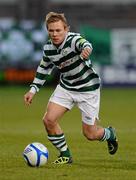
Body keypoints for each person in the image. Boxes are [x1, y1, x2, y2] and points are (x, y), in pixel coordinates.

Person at [24, 12, 118, 165]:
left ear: (66, 29)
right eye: (51, 31)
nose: (54, 34)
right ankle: (65, 155)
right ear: (47, 30)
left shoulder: (73, 39)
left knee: (90, 134)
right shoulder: (48, 48)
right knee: (49, 120)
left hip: (88, 88)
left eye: (58, 30)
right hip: (66, 87)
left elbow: (84, 43)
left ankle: (110, 133)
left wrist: (87, 49)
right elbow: (44, 68)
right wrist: (33, 90)